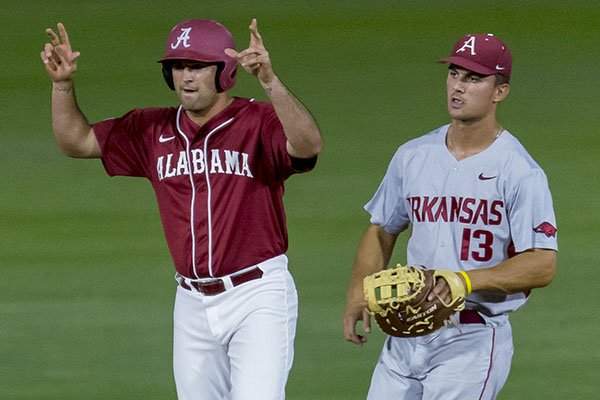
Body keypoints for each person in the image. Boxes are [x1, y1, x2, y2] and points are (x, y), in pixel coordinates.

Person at [41, 18, 322, 400]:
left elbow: (307, 146)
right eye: (177, 66)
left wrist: (270, 82)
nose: (185, 77)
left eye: (197, 66)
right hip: (191, 303)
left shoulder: (258, 122)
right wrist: (62, 85)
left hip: (257, 295)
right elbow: (76, 141)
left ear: (225, 73)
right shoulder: (150, 129)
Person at [342, 33, 557, 399]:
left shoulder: (519, 171)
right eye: (455, 74)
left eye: (474, 79)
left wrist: (465, 281)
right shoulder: (412, 155)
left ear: (499, 92)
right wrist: (358, 292)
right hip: (406, 333)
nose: (458, 87)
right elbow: (381, 228)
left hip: (471, 340)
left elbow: (542, 263)